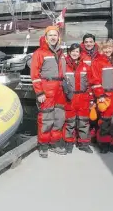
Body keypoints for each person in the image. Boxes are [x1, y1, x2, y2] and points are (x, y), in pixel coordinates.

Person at [31, 25, 67, 158]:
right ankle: (43, 145)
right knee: (46, 118)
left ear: (58, 37)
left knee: (59, 117)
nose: (53, 37)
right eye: (50, 35)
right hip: (47, 89)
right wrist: (39, 92)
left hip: (60, 90)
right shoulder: (39, 53)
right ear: (45, 38)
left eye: (55, 35)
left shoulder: (61, 53)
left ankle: (55, 143)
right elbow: (34, 75)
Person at [90, 39, 113, 155]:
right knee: (105, 121)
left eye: (109, 48)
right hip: (106, 95)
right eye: (105, 48)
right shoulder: (97, 62)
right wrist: (99, 95)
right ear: (101, 49)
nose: (107, 50)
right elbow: (95, 80)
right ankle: (104, 144)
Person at [62, 43, 93, 154]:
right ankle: (69, 143)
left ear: (80, 54)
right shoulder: (64, 66)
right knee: (70, 122)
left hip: (83, 97)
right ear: (69, 52)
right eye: (73, 51)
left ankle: (84, 143)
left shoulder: (86, 66)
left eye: (77, 52)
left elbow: (90, 83)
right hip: (70, 98)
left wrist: (91, 98)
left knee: (83, 122)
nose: (75, 53)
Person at [80, 33, 101, 143]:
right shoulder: (79, 54)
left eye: (90, 42)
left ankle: (97, 136)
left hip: (98, 87)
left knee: (99, 112)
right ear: (83, 43)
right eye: (86, 42)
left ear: (94, 42)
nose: (88, 44)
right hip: (85, 87)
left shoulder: (99, 54)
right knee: (86, 113)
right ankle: (85, 136)